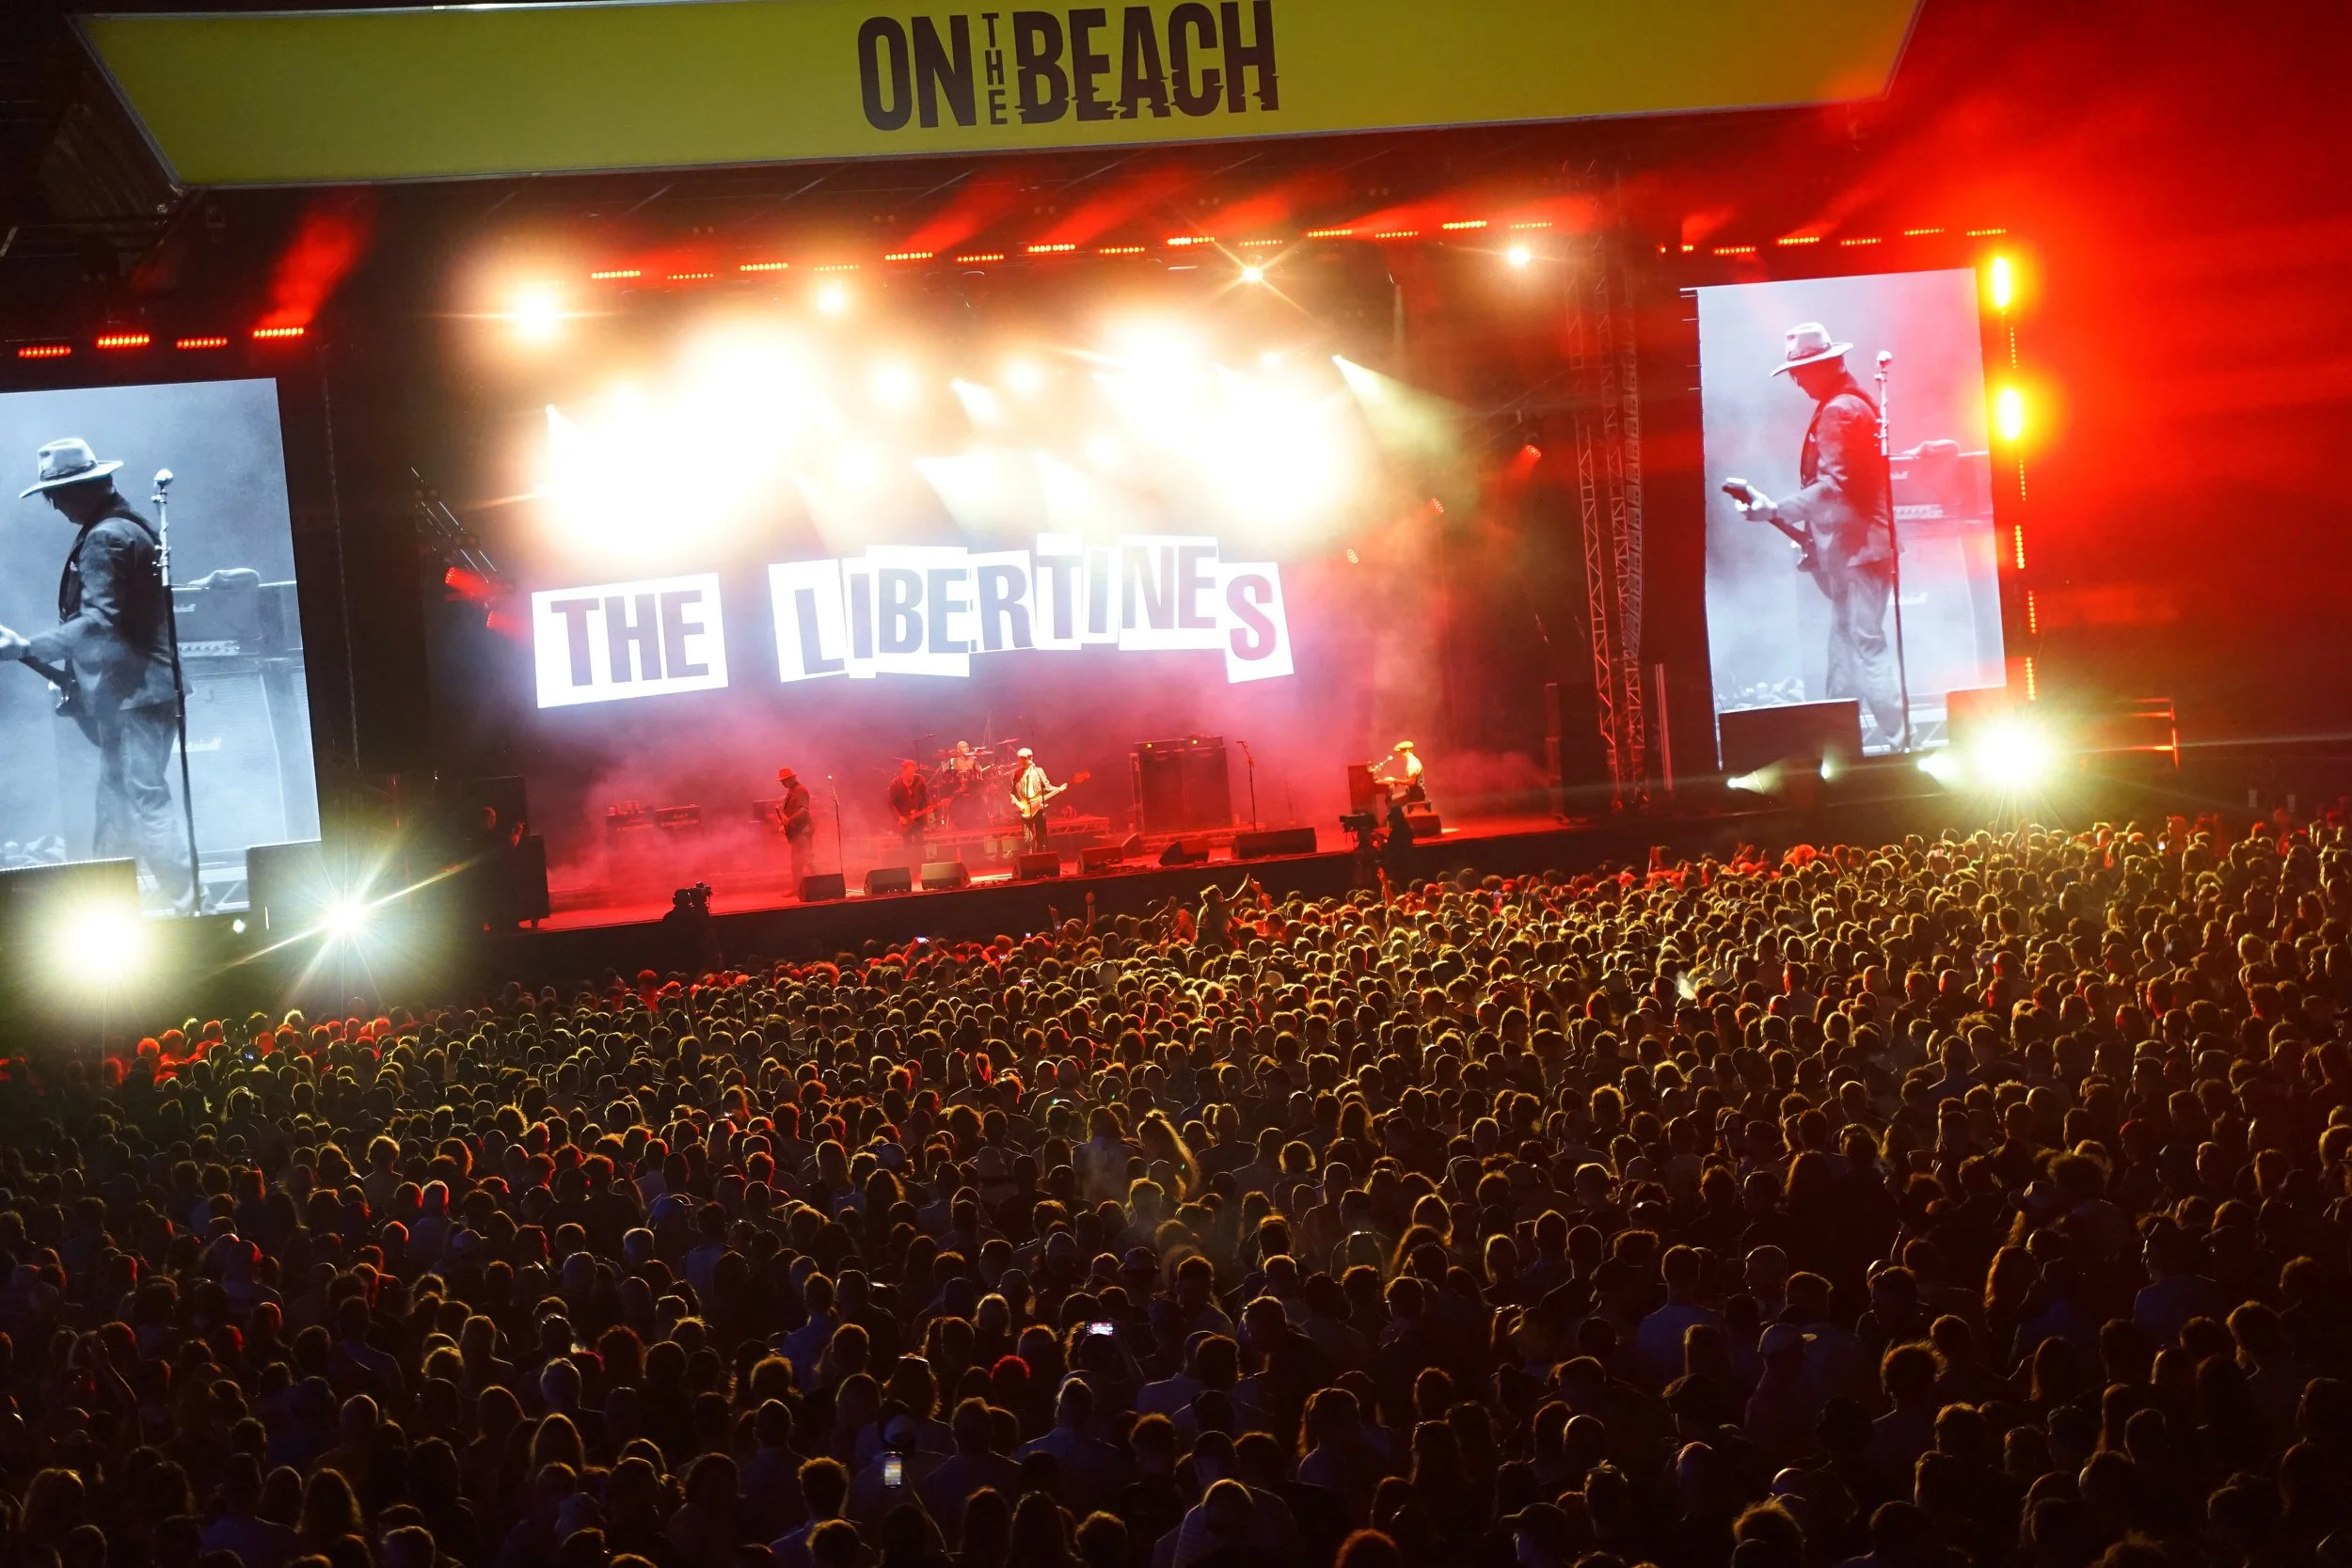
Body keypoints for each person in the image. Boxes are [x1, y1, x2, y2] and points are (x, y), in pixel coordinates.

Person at [0, 437, 193, 909]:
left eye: (57, 495)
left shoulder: (105, 537)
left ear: (82, 488)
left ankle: (182, 897)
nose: (55, 505)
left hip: (133, 693)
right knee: (116, 801)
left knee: (142, 799)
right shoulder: (130, 528)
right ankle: (110, 901)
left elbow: (99, 622)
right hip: (140, 690)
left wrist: (28, 646)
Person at [1723, 323, 1904, 744]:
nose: (1796, 380)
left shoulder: (1839, 411)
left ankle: (1898, 739)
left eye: (1799, 371)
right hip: (1857, 550)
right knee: (1845, 645)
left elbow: (1834, 487)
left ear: (1823, 365)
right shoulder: (1849, 405)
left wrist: (1776, 509)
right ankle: (1836, 737)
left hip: (1859, 553)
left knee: (1863, 645)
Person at [1008, 746, 1057, 852]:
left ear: (1030, 758)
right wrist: (1017, 803)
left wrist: (1059, 789)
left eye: (1024, 758)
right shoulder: (1015, 774)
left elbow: (1047, 787)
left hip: (1038, 807)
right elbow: (1011, 793)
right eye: (1020, 758)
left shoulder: (1039, 771)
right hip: (1025, 807)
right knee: (1028, 839)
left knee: (1041, 835)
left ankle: (1041, 857)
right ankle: (1029, 860)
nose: (1021, 760)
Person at [776, 766, 817, 884]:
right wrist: (786, 823)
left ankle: (825, 884)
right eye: (781, 781)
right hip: (797, 830)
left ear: (791, 779)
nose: (782, 783)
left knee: (808, 860)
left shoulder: (800, 790)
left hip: (803, 830)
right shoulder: (793, 791)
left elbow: (804, 810)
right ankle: (797, 888)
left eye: (783, 781)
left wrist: (789, 820)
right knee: (796, 863)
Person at [890, 759, 933, 856]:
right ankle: (909, 865)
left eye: (913, 772)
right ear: (903, 771)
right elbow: (891, 804)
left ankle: (920, 866)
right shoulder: (896, 784)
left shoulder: (919, 780)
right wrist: (899, 817)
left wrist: (928, 806)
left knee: (920, 843)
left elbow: (925, 796)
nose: (912, 775)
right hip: (905, 819)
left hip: (919, 818)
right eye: (910, 772)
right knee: (908, 844)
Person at [1375, 740, 1425, 806]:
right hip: (1412, 793)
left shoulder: (1413, 763)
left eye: (1400, 752)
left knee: (1391, 804)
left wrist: (1394, 780)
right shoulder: (1412, 761)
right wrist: (1396, 782)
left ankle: (1397, 816)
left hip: (1416, 796)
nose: (1399, 755)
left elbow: (1411, 782)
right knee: (1392, 801)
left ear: (1407, 751)